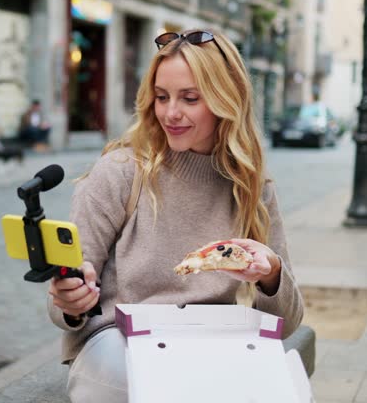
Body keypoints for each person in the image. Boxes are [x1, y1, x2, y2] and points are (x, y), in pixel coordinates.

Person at [47, 30, 304, 401]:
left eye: (190, 98)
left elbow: (287, 324)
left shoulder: (252, 187)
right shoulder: (120, 171)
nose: (170, 113)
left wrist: (272, 274)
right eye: (161, 97)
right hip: (121, 345)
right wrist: (72, 299)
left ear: (224, 100)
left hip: (213, 344)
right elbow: (62, 303)